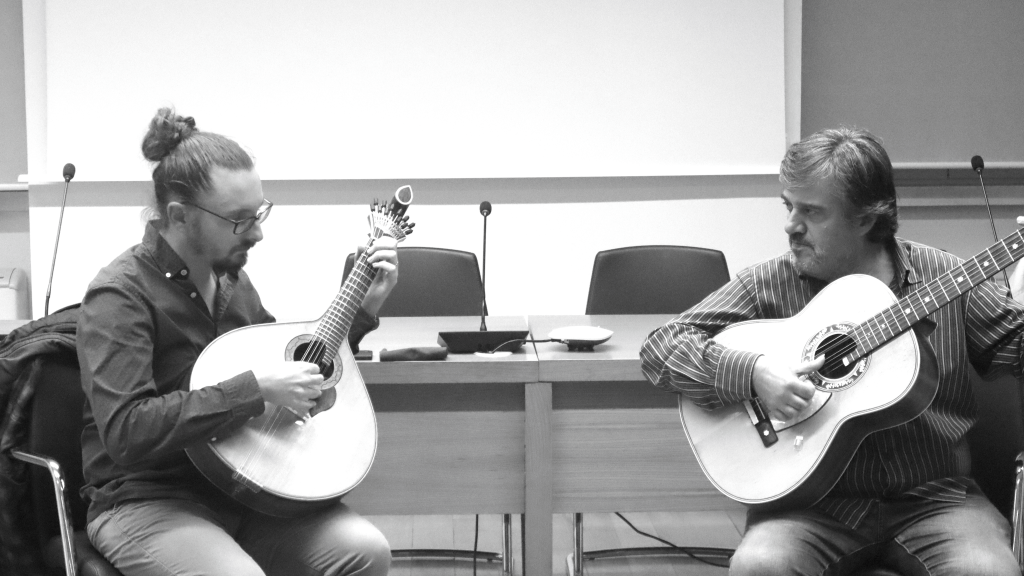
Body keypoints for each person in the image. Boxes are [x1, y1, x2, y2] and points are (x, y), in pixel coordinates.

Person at [641, 127, 1024, 576]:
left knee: (988, 571)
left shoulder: (946, 276)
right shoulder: (769, 282)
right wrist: (754, 373)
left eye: (811, 211)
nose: (791, 225)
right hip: (810, 507)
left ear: (865, 219)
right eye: (788, 206)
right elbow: (661, 346)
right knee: (759, 566)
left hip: (937, 501)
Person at [77, 108, 397, 576]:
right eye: (239, 220)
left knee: (365, 551)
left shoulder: (233, 283)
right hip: (147, 499)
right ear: (179, 216)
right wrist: (254, 389)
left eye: (260, 213)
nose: (258, 232)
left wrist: (360, 312)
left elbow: (295, 370)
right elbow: (127, 432)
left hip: (242, 489)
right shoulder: (120, 296)